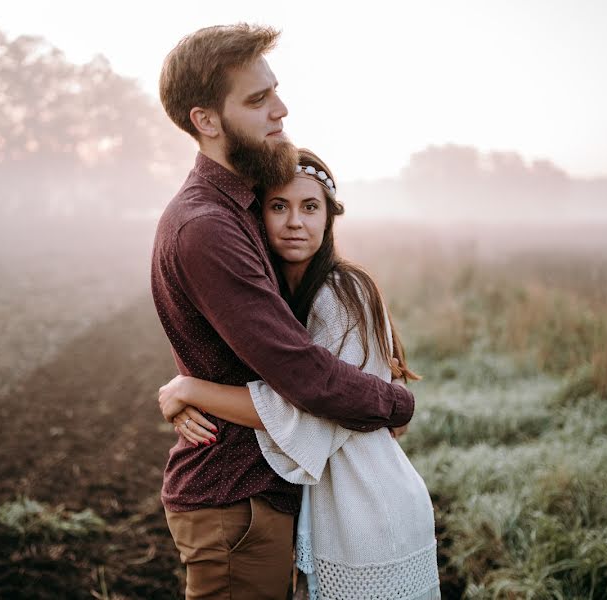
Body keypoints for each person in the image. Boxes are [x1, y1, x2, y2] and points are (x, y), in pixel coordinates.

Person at [151, 24, 415, 599]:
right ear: (207, 120)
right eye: (257, 99)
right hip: (233, 500)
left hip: (259, 494)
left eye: (275, 90)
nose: (281, 109)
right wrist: (394, 401)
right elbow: (300, 372)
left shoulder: (242, 207)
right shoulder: (208, 227)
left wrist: (190, 387)